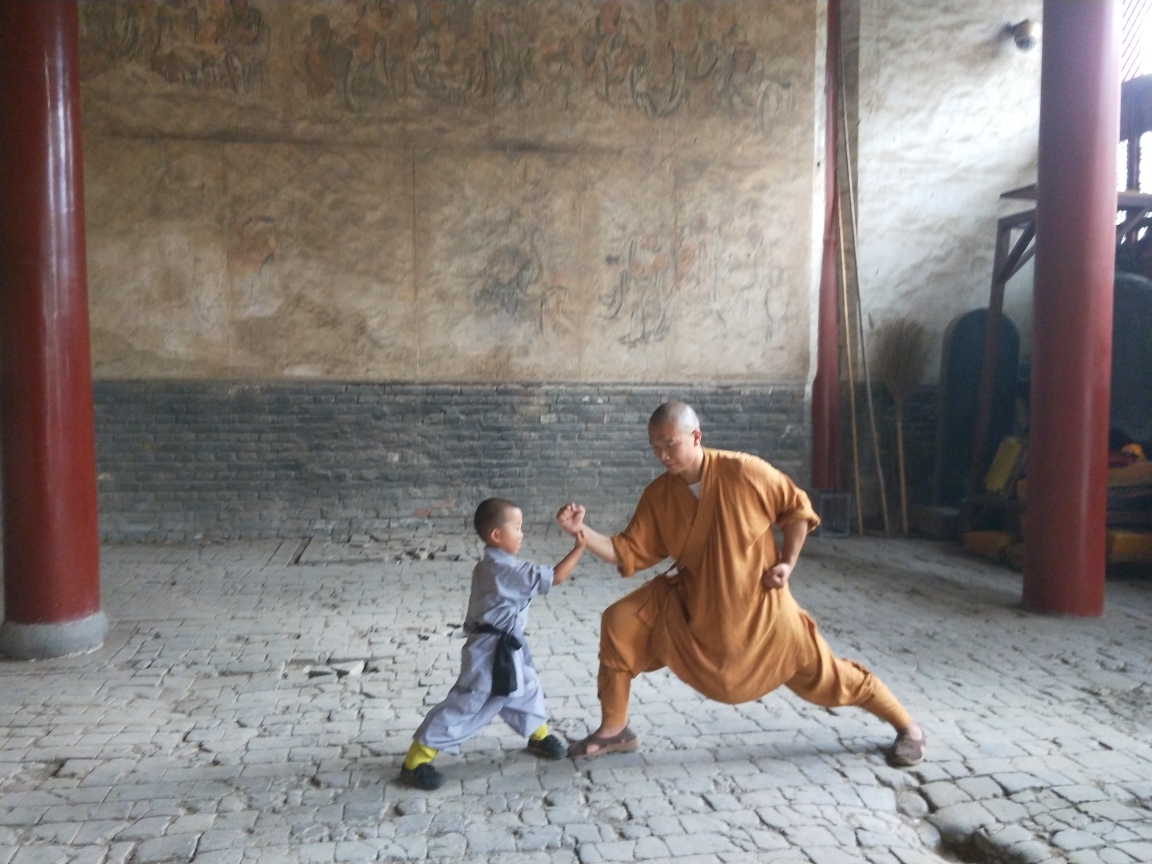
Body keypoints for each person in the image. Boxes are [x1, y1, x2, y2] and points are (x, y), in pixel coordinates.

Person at [554, 401, 927, 766]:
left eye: (670, 445)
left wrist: (787, 562)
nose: (663, 455)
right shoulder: (659, 495)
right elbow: (627, 550)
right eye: (655, 447)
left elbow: (796, 509)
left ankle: (907, 727)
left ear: (696, 436)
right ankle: (614, 729)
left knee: (831, 679)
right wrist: (582, 532)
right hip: (693, 603)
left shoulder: (744, 471)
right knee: (620, 622)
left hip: (762, 611)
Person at [400, 498, 587, 790]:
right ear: (496, 535)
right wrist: (579, 547)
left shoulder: (492, 563)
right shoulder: (506, 570)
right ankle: (415, 761)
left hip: (506, 646)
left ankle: (538, 735)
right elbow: (557, 577)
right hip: (489, 652)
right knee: (469, 702)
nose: (522, 533)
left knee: (525, 688)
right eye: (517, 527)